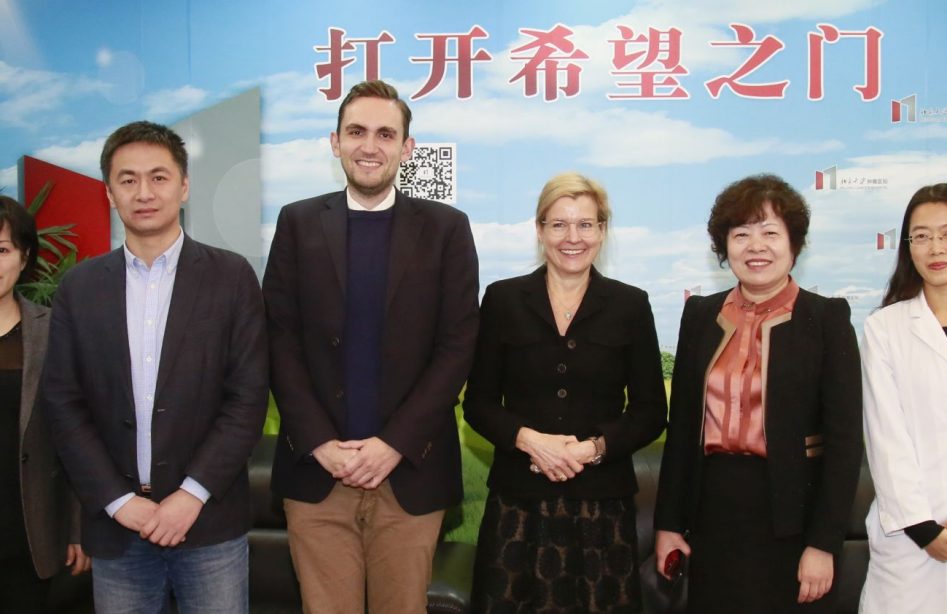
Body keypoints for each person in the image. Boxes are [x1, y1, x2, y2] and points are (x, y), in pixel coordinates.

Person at [263, 79, 479, 614]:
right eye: (356, 131)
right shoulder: (296, 223)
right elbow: (278, 340)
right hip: (317, 473)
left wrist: (392, 445)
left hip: (409, 472)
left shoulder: (447, 229)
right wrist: (320, 443)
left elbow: (457, 349)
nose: (369, 145)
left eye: (386, 134)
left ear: (407, 148)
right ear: (334, 141)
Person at [40, 121, 269, 612]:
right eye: (128, 180)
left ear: (184, 187)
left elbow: (247, 398)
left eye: (159, 177)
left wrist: (191, 494)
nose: (144, 192)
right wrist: (119, 502)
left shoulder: (231, 278)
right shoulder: (80, 289)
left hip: (208, 524)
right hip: (118, 531)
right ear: (109, 193)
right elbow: (63, 404)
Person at [654, 174, 863, 613]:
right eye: (741, 234)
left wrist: (824, 544)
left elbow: (845, 444)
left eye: (770, 233)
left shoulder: (825, 319)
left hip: (793, 516)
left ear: (794, 244)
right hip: (713, 512)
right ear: (724, 245)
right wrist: (669, 525)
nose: (756, 246)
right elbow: (682, 431)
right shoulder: (701, 315)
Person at [463, 172, 668, 613]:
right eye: (558, 224)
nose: (572, 237)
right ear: (539, 230)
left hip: (602, 506)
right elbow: (478, 405)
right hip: (519, 503)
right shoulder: (503, 299)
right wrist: (529, 440)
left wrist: (592, 449)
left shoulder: (630, 305)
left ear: (602, 231)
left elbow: (651, 412)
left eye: (585, 224)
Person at [859, 183, 947, 613]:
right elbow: (886, 439)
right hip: (911, 543)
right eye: (921, 236)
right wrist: (923, 529)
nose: (935, 247)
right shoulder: (884, 328)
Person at [0, 195, 89, 611]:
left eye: (1, 250)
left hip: (28, 531)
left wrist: (77, 528)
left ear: (24, 256)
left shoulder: (52, 332)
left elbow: (75, 436)